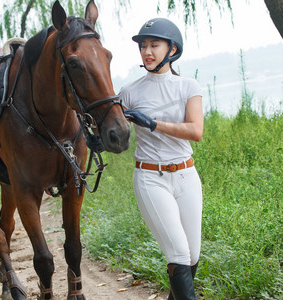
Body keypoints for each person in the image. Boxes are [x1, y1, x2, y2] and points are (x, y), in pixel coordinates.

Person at [119, 18, 203, 300]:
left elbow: (195, 131)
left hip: (186, 176)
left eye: (154, 44)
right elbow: (114, 135)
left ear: (172, 48)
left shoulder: (188, 86)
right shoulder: (129, 92)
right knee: (178, 253)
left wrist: (153, 123)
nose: (147, 51)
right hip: (150, 178)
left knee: (192, 256)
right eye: (143, 46)